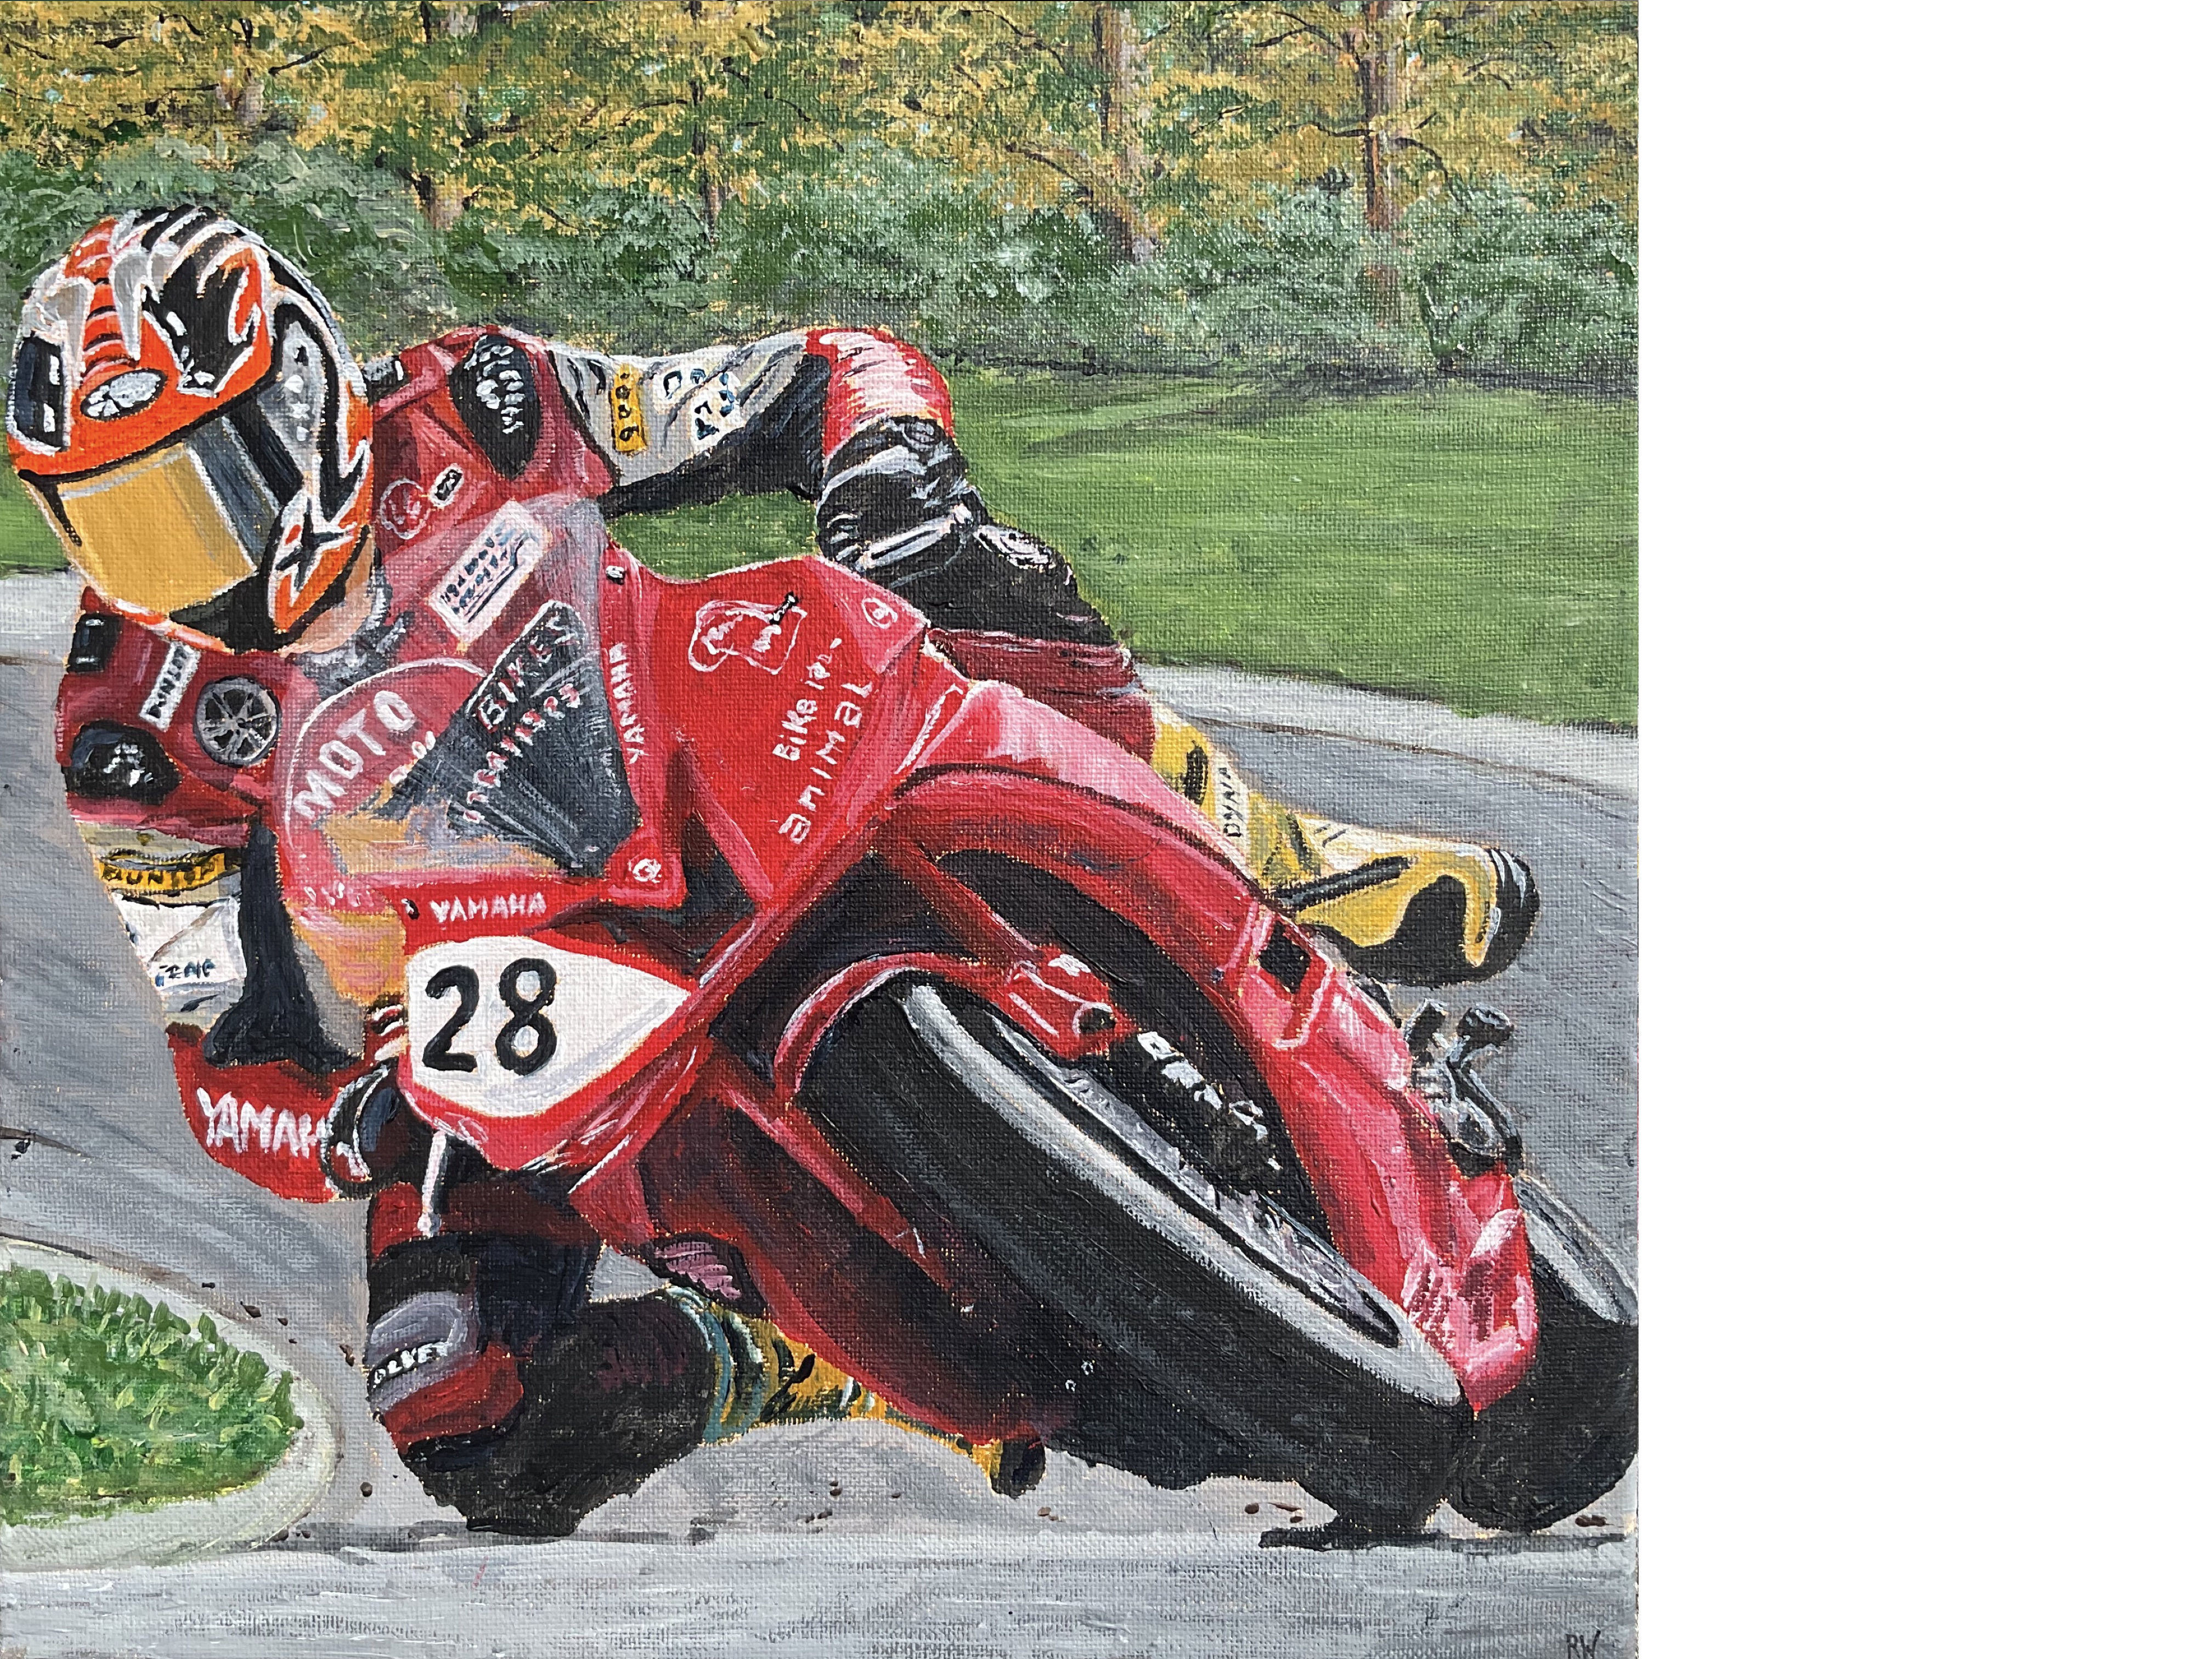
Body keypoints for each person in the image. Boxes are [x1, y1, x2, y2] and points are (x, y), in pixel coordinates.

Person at [8, 206, 1538, 1535]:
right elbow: (215, 1040)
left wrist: (888, 465)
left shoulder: (474, 406)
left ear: (304, 396)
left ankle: (1268, 846)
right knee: (464, 1412)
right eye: (111, 523)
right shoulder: (129, 727)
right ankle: (789, 1357)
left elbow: (816, 369)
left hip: (702, 750)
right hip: (496, 989)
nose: (170, 565)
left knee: (962, 576)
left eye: (192, 493)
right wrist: (350, 1122)